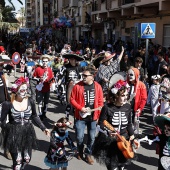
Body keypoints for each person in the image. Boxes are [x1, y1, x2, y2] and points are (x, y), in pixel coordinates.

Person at [0, 76, 50, 170]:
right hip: (14, 133)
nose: (25, 92)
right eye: (22, 90)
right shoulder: (8, 104)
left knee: (27, 159)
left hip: (27, 132)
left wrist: (44, 128)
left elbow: (35, 116)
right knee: (17, 161)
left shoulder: (30, 101)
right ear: (16, 90)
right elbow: (1, 120)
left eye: (26, 89)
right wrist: (8, 129)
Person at [92, 79, 140, 170]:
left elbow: (129, 124)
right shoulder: (107, 108)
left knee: (122, 166)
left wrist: (133, 136)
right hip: (110, 142)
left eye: (126, 95)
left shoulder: (128, 107)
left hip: (124, 141)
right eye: (122, 95)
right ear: (116, 95)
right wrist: (108, 132)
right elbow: (100, 125)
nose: (125, 98)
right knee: (112, 167)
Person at [70, 65, 104, 165]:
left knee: (92, 137)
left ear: (92, 77)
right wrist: (80, 108)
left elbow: (100, 101)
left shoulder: (97, 86)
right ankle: (80, 150)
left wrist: (99, 110)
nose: (83, 77)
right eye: (83, 75)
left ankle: (88, 154)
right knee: (79, 137)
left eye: (85, 75)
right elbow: (72, 99)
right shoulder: (77, 86)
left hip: (93, 117)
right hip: (80, 117)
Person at [33, 54, 54, 121]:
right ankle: (40, 114)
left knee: (46, 102)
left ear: (48, 62)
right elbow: (33, 77)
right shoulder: (38, 69)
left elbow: (51, 78)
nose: (45, 63)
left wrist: (52, 81)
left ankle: (44, 114)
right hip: (40, 88)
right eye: (43, 61)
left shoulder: (49, 69)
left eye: (46, 61)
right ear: (41, 61)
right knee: (39, 102)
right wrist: (39, 79)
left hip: (47, 88)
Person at [127, 67, 147, 133]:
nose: (129, 76)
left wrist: (140, 108)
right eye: (128, 74)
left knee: (133, 125)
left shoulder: (141, 85)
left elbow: (144, 98)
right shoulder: (124, 83)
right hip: (125, 107)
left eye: (131, 75)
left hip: (135, 108)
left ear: (136, 75)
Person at [0, 56, 11, 160]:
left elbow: (5, 90)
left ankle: (6, 149)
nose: (1, 66)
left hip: (3, 105)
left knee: (5, 127)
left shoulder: (2, 75)